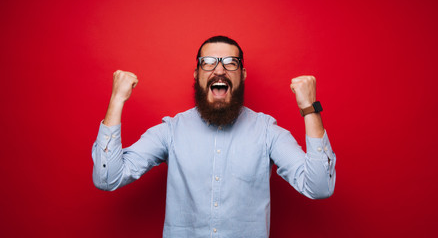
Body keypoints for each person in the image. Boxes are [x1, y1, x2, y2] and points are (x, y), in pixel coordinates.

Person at [92, 36, 336, 238]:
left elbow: (319, 186)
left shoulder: (266, 131)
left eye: (231, 62)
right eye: (208, 62)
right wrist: (116, 101)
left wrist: (309, 108)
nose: (219, 69)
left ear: (243, 74)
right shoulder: (171, 131)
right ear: (196, 74)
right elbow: (108, 178)